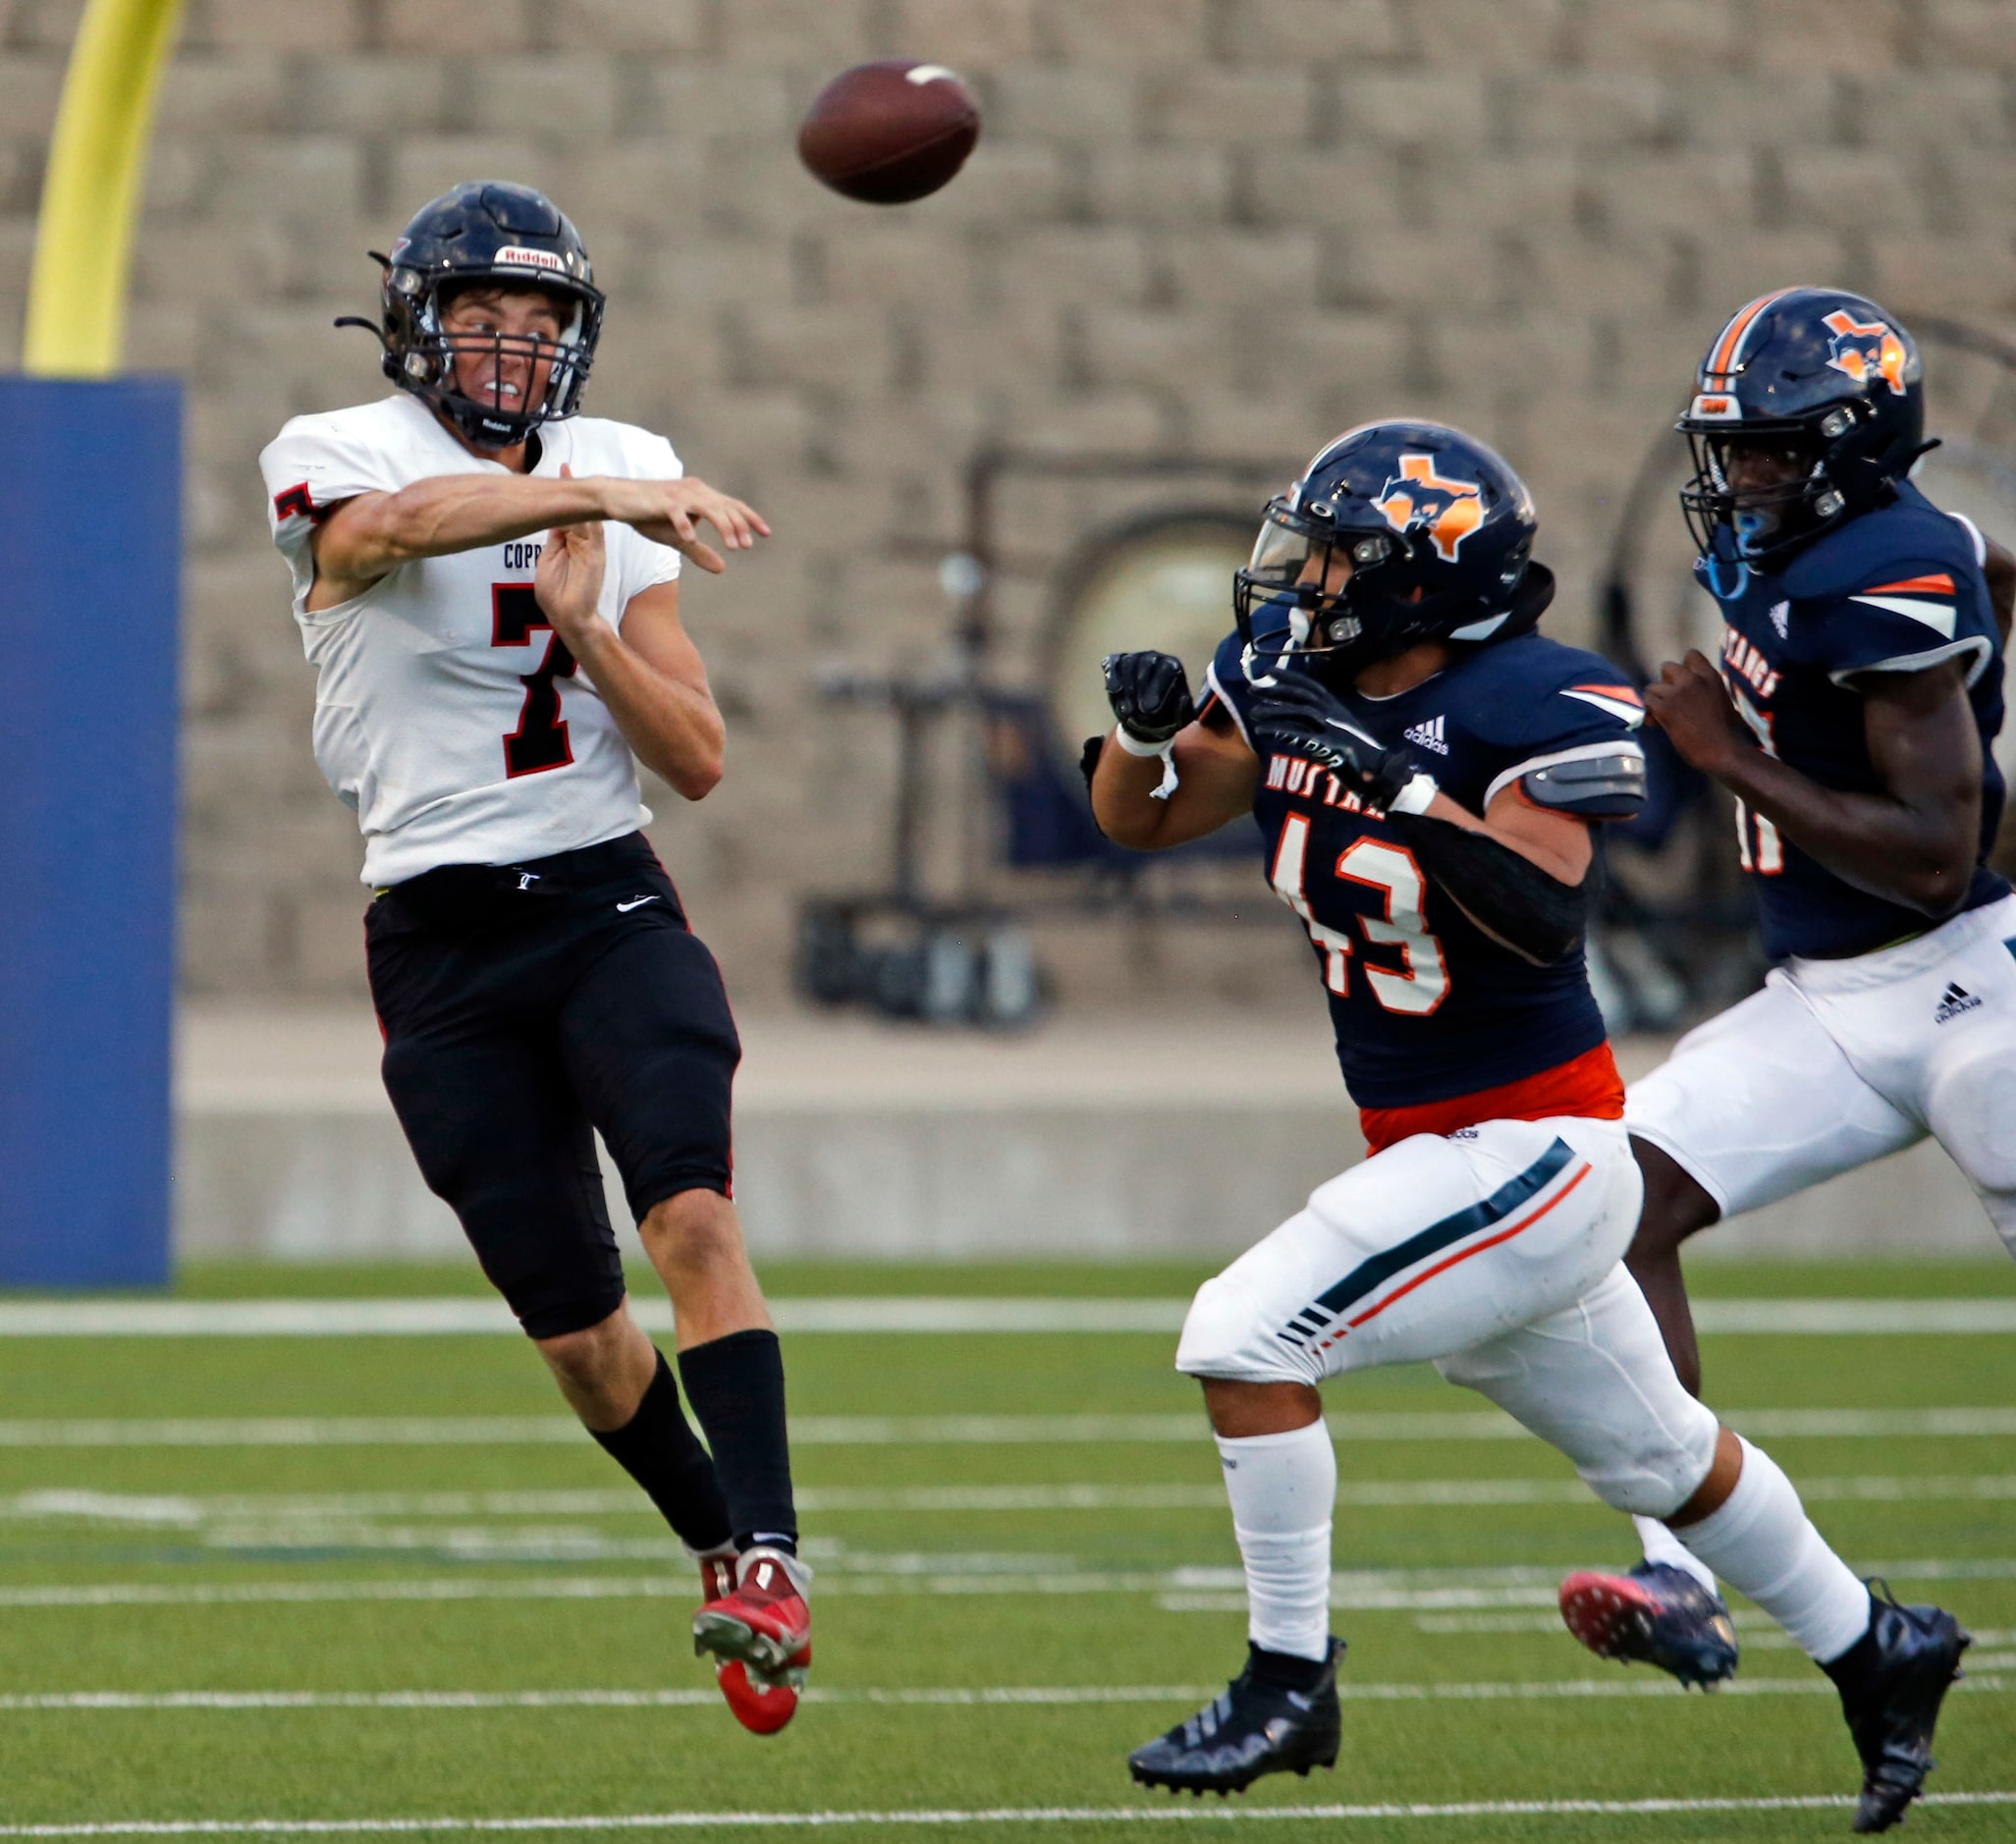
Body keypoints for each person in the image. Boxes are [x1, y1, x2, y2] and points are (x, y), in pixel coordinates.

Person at [1091, 419, 1968, 1833]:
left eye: (1336, 557)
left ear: (1422, 579)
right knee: (1664, 1460)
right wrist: (1139, 738)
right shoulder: (1285, 671)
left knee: (1242, 1332)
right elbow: (1142, 818)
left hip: (1534, 1149)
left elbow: (1545, 906)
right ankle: (1881, 1644)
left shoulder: (1544, 698)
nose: (1303, 581)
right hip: (1434, 1145)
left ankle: (1287, 1675)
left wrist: (1391, 779)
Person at [257, 181, 809, 1735]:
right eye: (481, 321)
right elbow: (393, 535)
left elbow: (695, 758)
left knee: (692, 1212)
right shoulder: (338, 451)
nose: (510, 350)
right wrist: (607, 510)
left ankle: (771, 1549)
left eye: (539, 324)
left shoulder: (620, 465)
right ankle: (709, 1535)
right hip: (433, 929)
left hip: (599, 900)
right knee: (576, 1334)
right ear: (415, 329)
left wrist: (591, 627)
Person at [1555, 289, 2015, 1699]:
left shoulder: (1882, 570)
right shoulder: (1824, 546)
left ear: (1848, 447)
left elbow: (1936, 858)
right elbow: (1981, 569)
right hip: (1821, 996)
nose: (1737, 476)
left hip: (1966, 994)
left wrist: (1720, 751)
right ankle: (1678, 1572)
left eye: (1763, 450)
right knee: (1602, 1208)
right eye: (1730, 447)